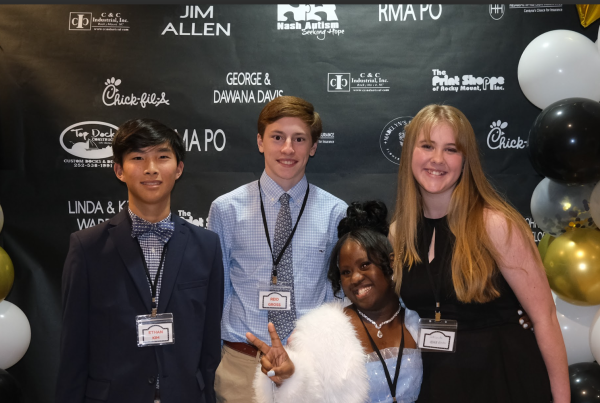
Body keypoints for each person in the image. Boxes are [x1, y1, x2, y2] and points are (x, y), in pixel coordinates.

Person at [390, 104, 569, 402]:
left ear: (466, 160)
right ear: (409, 152)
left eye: (451, 149)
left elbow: (545, 318)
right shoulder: (399, 233)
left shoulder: (494, 224)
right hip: (437, 383)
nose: (437, 159)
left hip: (503, 379)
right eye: (427, 146)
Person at [56, 118, 224, 403]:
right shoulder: (87, 248)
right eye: (137, 157)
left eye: (162, 156)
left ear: (179, 168)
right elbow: (73, 348)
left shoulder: (207, 246)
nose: (151, 168)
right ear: (119, 170)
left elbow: (209, 345)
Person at [207, 95, 348, 402]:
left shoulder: (336, 213)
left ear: (313, 147)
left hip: (309, 366)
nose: (288, 149)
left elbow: (338, 295)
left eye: (299, 139)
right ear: (260, 142)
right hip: (241, 366)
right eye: (277, 137)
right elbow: (217, 291)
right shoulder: (226, 210)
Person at [247, 200, 423, 403]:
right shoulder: (322, 332)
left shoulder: (417, 321)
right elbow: (306, 393)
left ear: (390, 262)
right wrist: (288, 378)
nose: (355, 278)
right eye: (346, 272)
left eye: (365, 265)